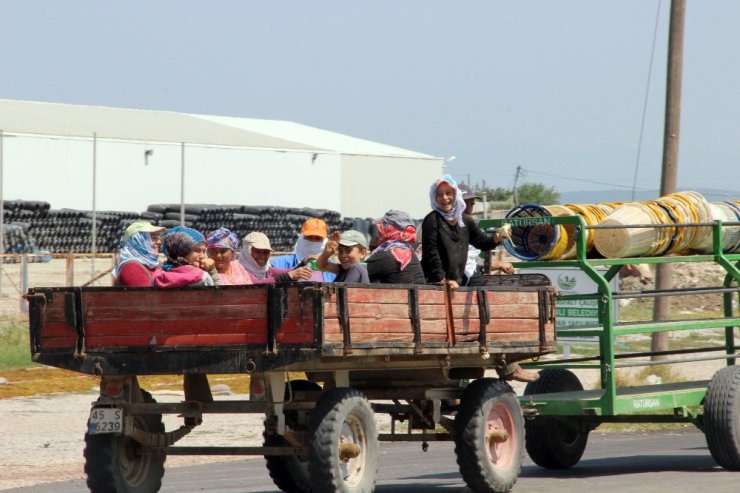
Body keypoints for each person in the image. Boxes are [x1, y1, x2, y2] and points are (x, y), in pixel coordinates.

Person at [422, 176, 536, 382]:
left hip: (461, 279)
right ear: (434, 197)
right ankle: (501, 363)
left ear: (455, 194)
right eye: (439, 195)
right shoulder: (433, 220)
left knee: (490, 296)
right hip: (440, 282)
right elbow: (431, 253)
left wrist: (497, 237)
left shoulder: (465, 220)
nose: (444, 198)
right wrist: (442, 279)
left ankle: (502, 355)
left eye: (448, 193)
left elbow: (481, 242)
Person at [459, 183, 515, 285]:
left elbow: (474, 257)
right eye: (463, 204)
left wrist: (496, 238)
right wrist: (498, 264)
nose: (468, 208)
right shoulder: (448, 226)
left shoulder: (470, 226)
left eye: (471, 204)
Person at [365, 209, 425, 284]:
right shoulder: (410, 253)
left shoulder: (386, 256)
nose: (378, 234)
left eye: (381, 228)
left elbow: (357, 273)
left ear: (388, 229)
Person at [154, 226, 222, 288]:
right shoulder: (202, 277)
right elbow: (220, 296)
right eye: (197, 250)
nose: (202, 256)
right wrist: (212, 271)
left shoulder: (157, 276)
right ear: (182, 252)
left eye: (204, 252)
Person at [270, 218, 336, 282]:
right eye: (309, 237)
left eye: (318, 238)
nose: (313, 241)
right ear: (301, 238)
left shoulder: (333, 269)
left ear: (325, 241)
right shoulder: (279, 264)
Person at [239, 231, 313, 284]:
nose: (262, 256)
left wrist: (305, 261)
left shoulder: (267, 270)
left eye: (265, 252)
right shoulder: (239, 270)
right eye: (257, 251)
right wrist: (288, 276)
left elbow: (292, 272)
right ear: (247, 252)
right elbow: (257, 283)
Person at [112, 220, 166, 287]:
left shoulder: (150, 265)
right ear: (138, 241)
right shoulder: (132, 269)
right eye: (153, 237)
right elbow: (147, 296)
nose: (159, 242)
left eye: (158, 237)